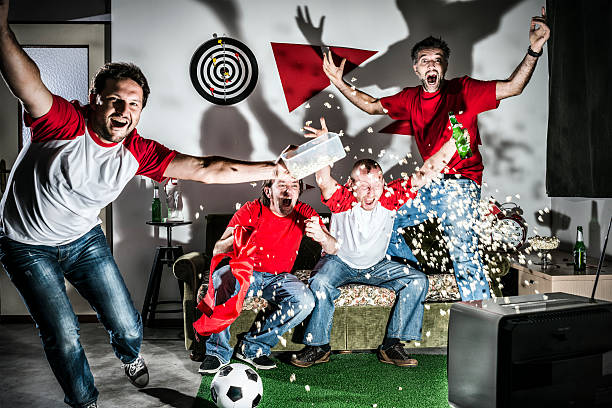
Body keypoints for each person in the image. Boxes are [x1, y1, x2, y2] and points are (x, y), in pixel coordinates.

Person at [0, 1, 288, 407]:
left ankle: (130, 356)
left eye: (133, 104)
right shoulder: (63, 122)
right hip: (26, 245)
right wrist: (0, 30)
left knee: (129, 327)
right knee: (63, 333)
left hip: (83, 238)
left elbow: (207, 168)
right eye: (116, 100)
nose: (124, 111)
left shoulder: (138, 151)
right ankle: (85, 402)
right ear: (95, 99)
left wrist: (273, 170)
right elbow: (26, 83)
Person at [320, 8, 550, 301]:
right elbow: (371, 105)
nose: (432, 65)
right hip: (429, 182)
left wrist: (534, 49)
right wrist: (340, 84)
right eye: (425, 60)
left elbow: (514, 87)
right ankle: (415, 275)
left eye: (438, 61)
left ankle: (480, 318)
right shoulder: (410, 98)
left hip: (460, 184)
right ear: (416, 69)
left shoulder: (464, 89)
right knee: (382, 220)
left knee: (463, 253)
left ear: (444, 67)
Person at [290, 118, 457, 368]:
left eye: (376, 183)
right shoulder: (344, 200)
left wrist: (456, 141)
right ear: (351, 186)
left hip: (376, 266)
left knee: (417, 281)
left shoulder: (389, 197)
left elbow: (427, 172)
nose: (371, 192)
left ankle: (392, 345)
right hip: (340, 262)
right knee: (320, 282)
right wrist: (323, 145)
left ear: (383, 182)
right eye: (364, 186)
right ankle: (318, 346)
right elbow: (324, 180)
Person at [198, 177, 337, 374]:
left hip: (279, 278)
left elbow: (333, 248)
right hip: (246, 271)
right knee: (220, 279)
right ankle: (217, 352)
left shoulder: (304, 212)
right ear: (268, 191)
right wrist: (239, 236)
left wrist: (323, 237)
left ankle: (252, 347)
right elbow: (217, 249)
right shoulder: (250, 210)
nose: (289, 191)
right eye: (282, 186)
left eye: (294, 186)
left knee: (305, 300)